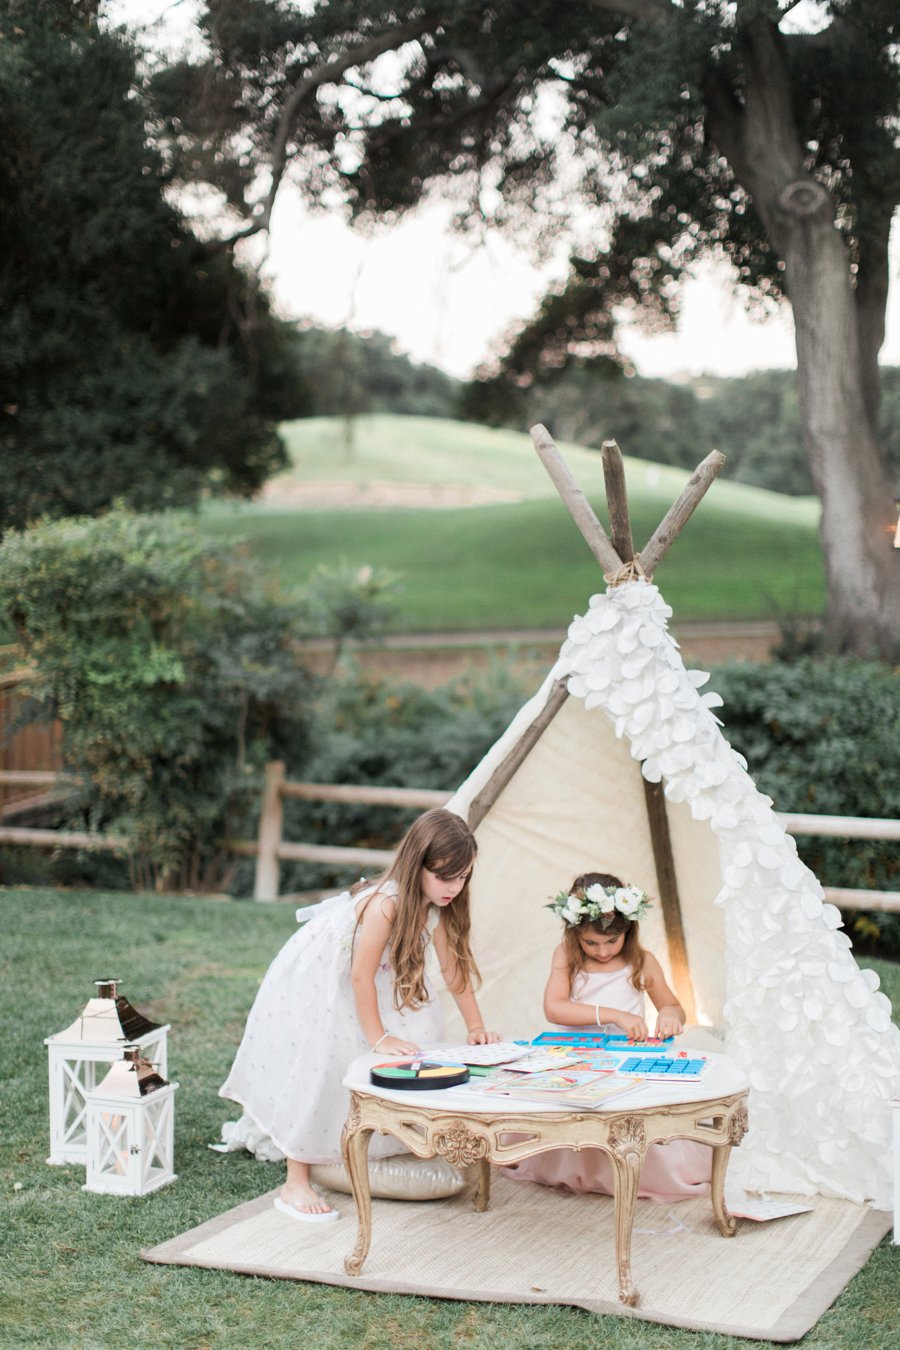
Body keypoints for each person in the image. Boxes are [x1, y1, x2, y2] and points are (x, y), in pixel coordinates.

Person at [219, 809, 499, 1223]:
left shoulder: (437, 908)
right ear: (416, 864)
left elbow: (455, 973)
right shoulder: (386, 905)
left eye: (463, 878)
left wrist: (476, 1025)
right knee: (326, 1062)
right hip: (326, 978)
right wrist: (378, 1037)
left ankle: (377, 1139)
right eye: (445, 877)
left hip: (372, 980)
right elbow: (359, 975)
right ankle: (295, 1180)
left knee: (418, 1034)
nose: (454, 888)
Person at [505, 871, 711, 1201]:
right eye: (591, 943)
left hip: (623, 1060)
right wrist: (614, 1014)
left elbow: (672, 1005)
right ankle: (572, 1168)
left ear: (628, 932)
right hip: (577, 1059)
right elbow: (554, 1008)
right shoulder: (566, 956)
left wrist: (671, 1016)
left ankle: (631, 1171)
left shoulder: (642, 961)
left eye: (611, 942)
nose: (602, 951)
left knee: (629, 1109)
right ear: (574, 933)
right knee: (573, 1110)